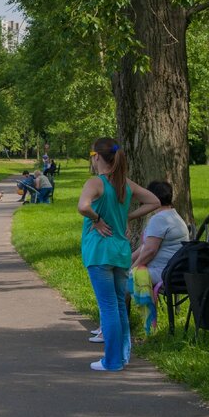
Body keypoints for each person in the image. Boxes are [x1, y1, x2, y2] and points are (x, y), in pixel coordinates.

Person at [77, 138, 160, 372]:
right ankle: (122, 356)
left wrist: (97, 218)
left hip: (100, 251)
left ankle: (111, 361)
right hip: (121, 251)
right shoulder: (126, 184)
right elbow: (154, 201)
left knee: (108, 306)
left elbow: (83, 206)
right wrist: (127, 217)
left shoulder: (95, 183)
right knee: (118, 305)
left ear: (96, 157)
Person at [131, 180, 190, 315]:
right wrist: (128, 260)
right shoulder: (171, 215)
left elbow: (150, 251)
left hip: (164, 272)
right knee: (124, 273)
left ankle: (118, 324)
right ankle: (121, 322)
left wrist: (131, 268)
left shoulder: (160, 219)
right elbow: (145, 247)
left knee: (120, 282)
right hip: (174, 269)